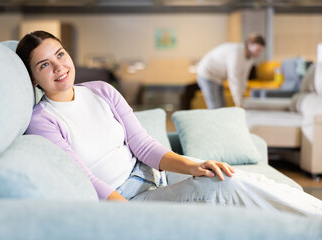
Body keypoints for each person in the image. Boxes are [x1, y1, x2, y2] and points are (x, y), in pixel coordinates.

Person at [16, 31, 322, 217]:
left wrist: (193, 166)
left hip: (154, 177)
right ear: (33, 78)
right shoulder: (42, 120)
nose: (59, 67)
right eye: (45, 65)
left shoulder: (101, 90)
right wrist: (132, 217)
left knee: (231, 174)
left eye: (60, 54)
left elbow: (143, 145)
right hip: (127, 200)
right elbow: (83, 181)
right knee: (227, 187)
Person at [197, 34, 265, 109]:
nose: (258, 53)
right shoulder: (236, 53)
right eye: (257, 50)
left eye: (260, 51)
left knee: (222, 106)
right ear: (249, 44)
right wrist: (238, 103)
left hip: (218, 78)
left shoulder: (251, 57)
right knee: (215, 107)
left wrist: (241, 98)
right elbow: (234, 79)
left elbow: (243, 77)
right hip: (207, 74)